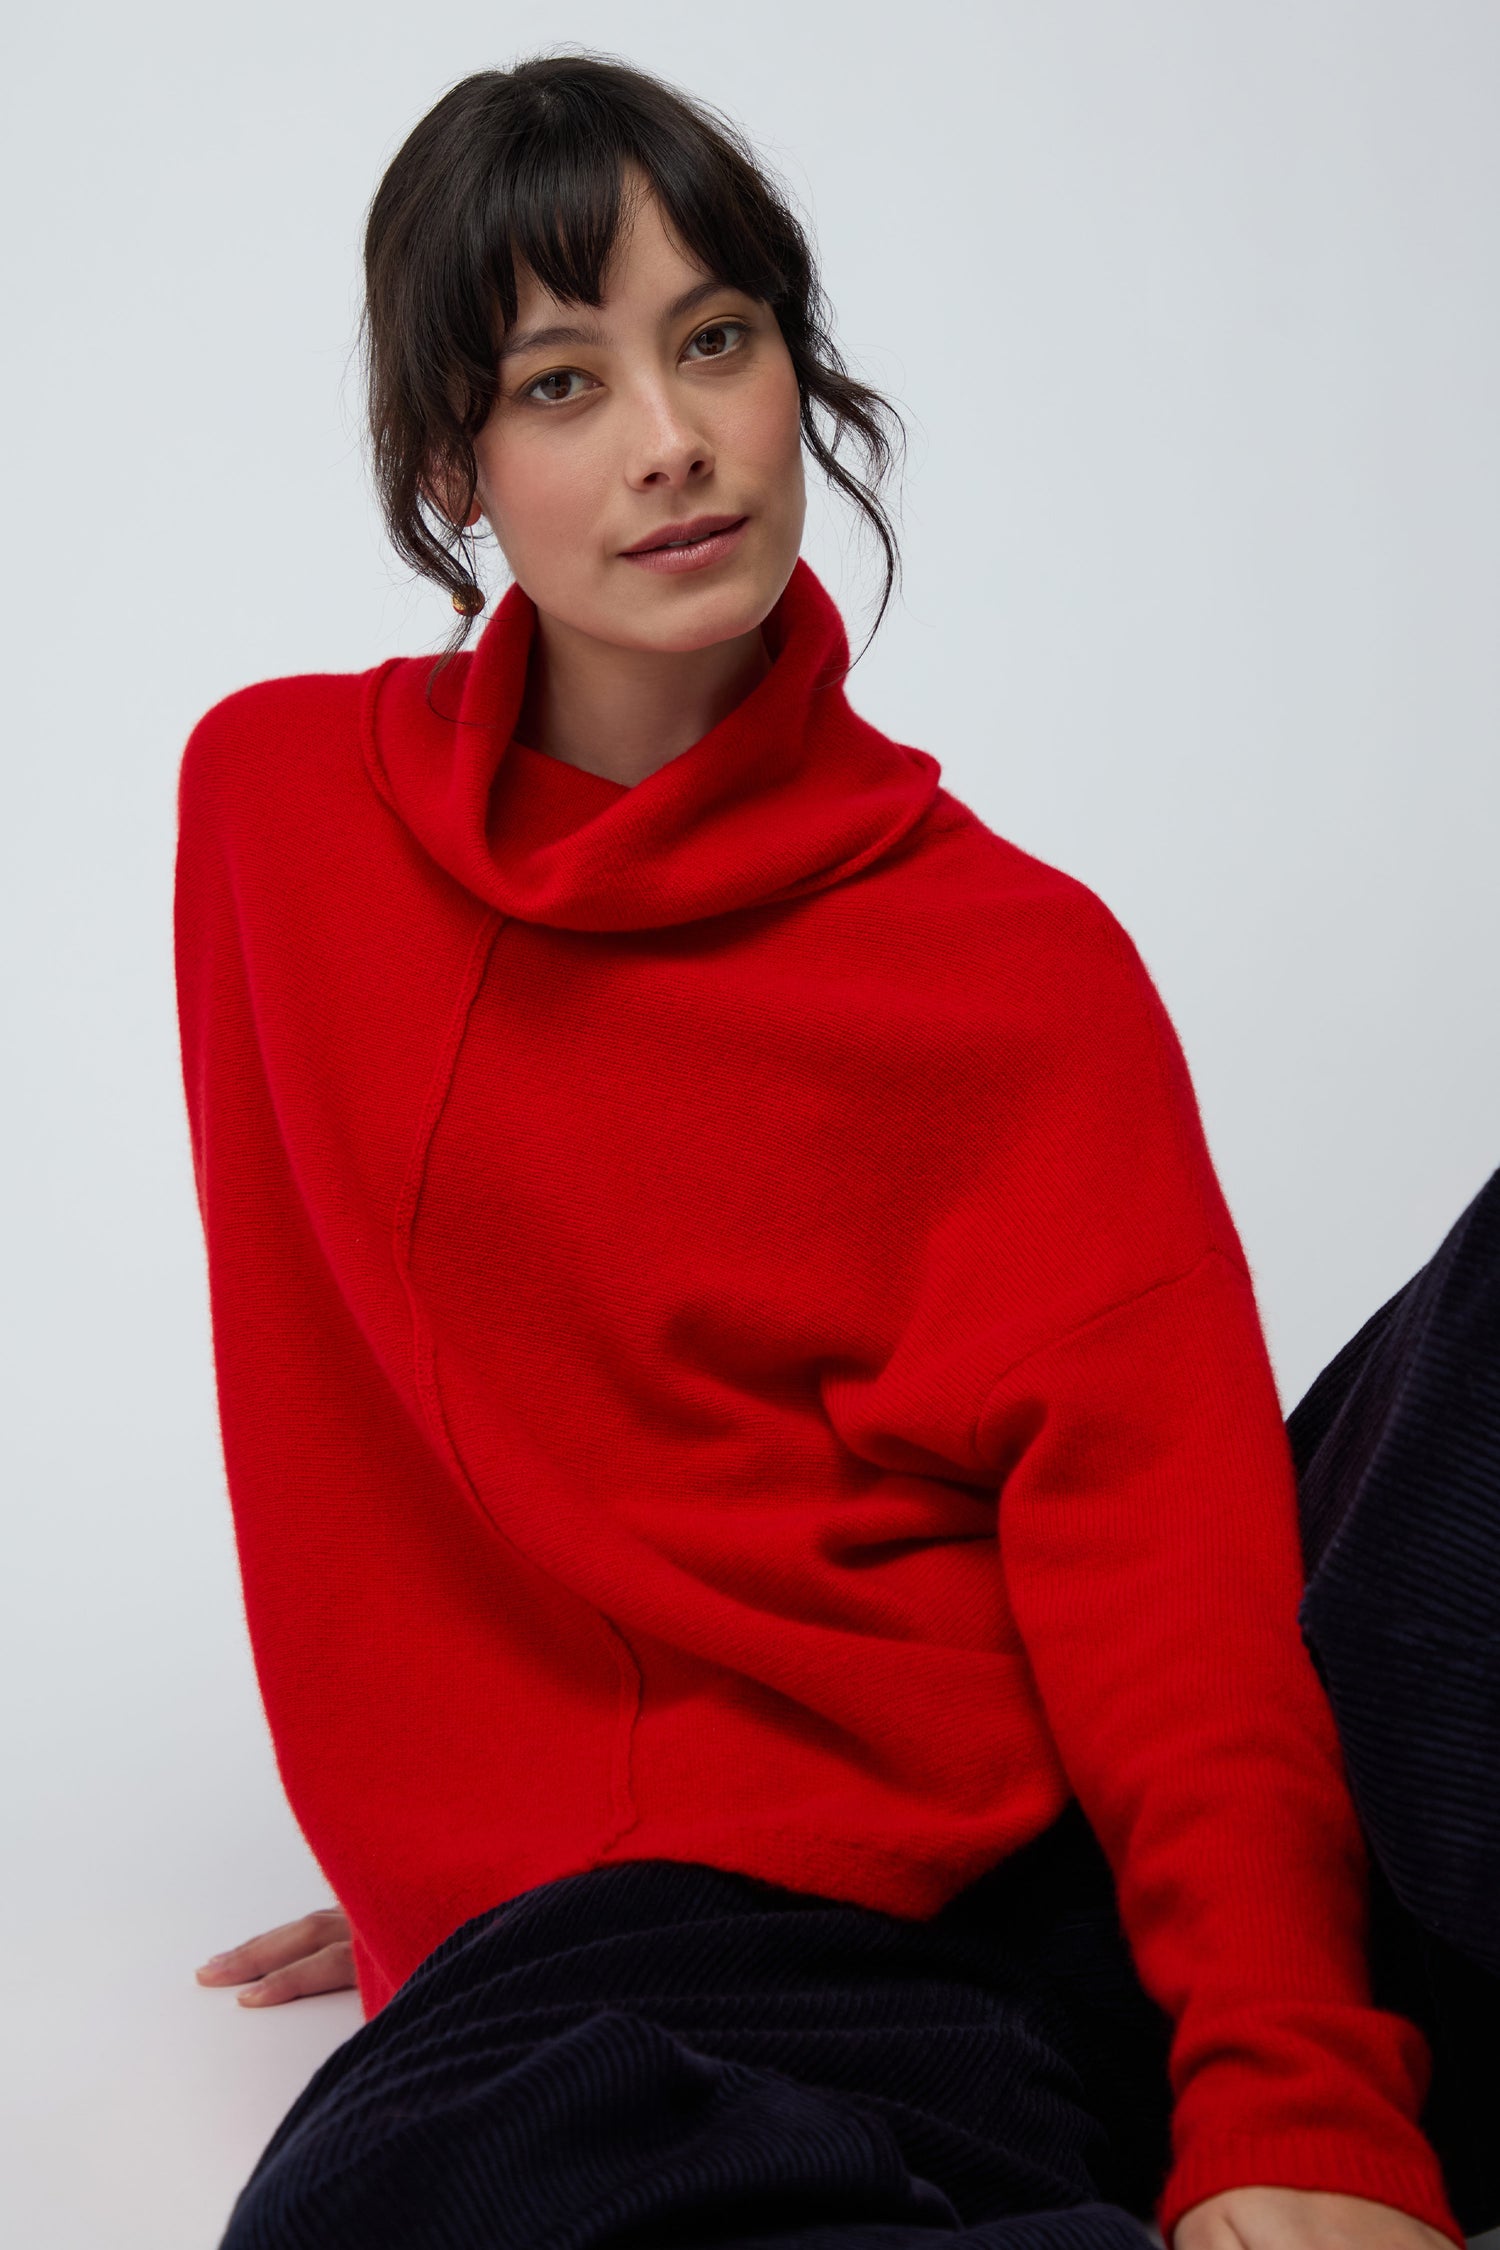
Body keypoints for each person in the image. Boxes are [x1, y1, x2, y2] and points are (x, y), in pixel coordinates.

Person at [174, 51, 1473, 2250]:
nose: (670, 439)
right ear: (450, 465)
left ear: (797, 372)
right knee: (399, 2202)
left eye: (716, 341)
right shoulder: (277, 817)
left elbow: (1171, 1576)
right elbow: (417, 1416)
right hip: (689, 1956)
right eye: (562, 383)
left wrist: (1293, 2093)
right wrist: (445, 1866)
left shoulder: (1013, 967)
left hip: (1060, 1872)